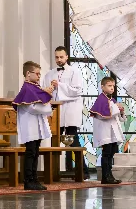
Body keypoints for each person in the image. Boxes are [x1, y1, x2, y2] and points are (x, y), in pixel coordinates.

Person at [42, 46, 90, 180]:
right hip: (55, 112)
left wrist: (60, 85)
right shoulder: (49, 74)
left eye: (61, 57)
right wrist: (48, 90)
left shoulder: (74, 72)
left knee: (74, 141)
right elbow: (46, 93)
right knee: (54, 141)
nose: (59, 59)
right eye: (56, 57)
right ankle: (53, 173)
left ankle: (83, 171)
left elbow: (77, 91)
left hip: (70, 110)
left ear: (67, 57)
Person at [12, 61, 54, 190]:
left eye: (40, 74)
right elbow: (32, 107)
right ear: (28, 73)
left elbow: (40, 101)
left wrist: (47, 99)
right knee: (30, 153)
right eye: (37, 73)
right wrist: (48, 108)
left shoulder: (34, 88)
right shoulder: (27, 88)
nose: (39, 76)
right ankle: (28, 180)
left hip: (36, 125)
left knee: (35, 152)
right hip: (30, 126)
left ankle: (34, 179)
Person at [90, 77, 126, 184]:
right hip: (105, 132)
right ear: (102, 87)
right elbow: (102, 115)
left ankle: (110, 175)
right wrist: (116, 107)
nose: (112, 88)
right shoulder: (101, 99)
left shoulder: (111, 100)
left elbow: (120, 118)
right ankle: (105, 177)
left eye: (113, 86)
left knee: (111, 154)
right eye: (109, 86)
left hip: (113, 132)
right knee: (106, 154)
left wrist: (121, 110)